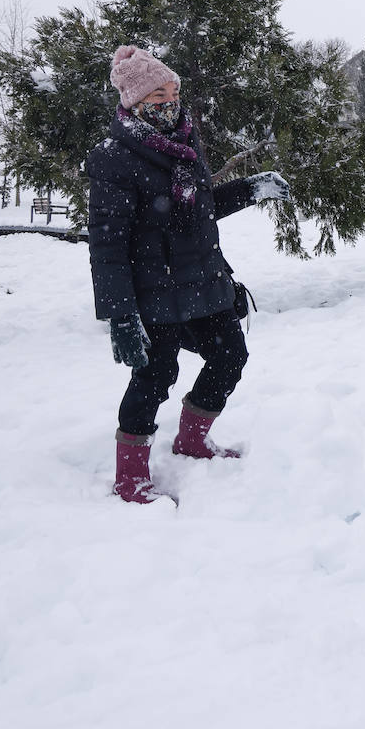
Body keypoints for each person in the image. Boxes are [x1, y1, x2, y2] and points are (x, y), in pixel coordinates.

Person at [88, 45, 292, 504]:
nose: (170, 99)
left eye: (174, 89)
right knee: (154, 376)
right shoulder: (113, 157)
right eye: (159, 92)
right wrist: (121, 316)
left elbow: (197, 212)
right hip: (152, 290)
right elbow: (107, 246)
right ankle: (130, 476)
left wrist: (249, 189)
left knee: (230, 356)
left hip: (202, 282)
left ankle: (192, 440)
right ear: (135, 101)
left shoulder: (184, 142)